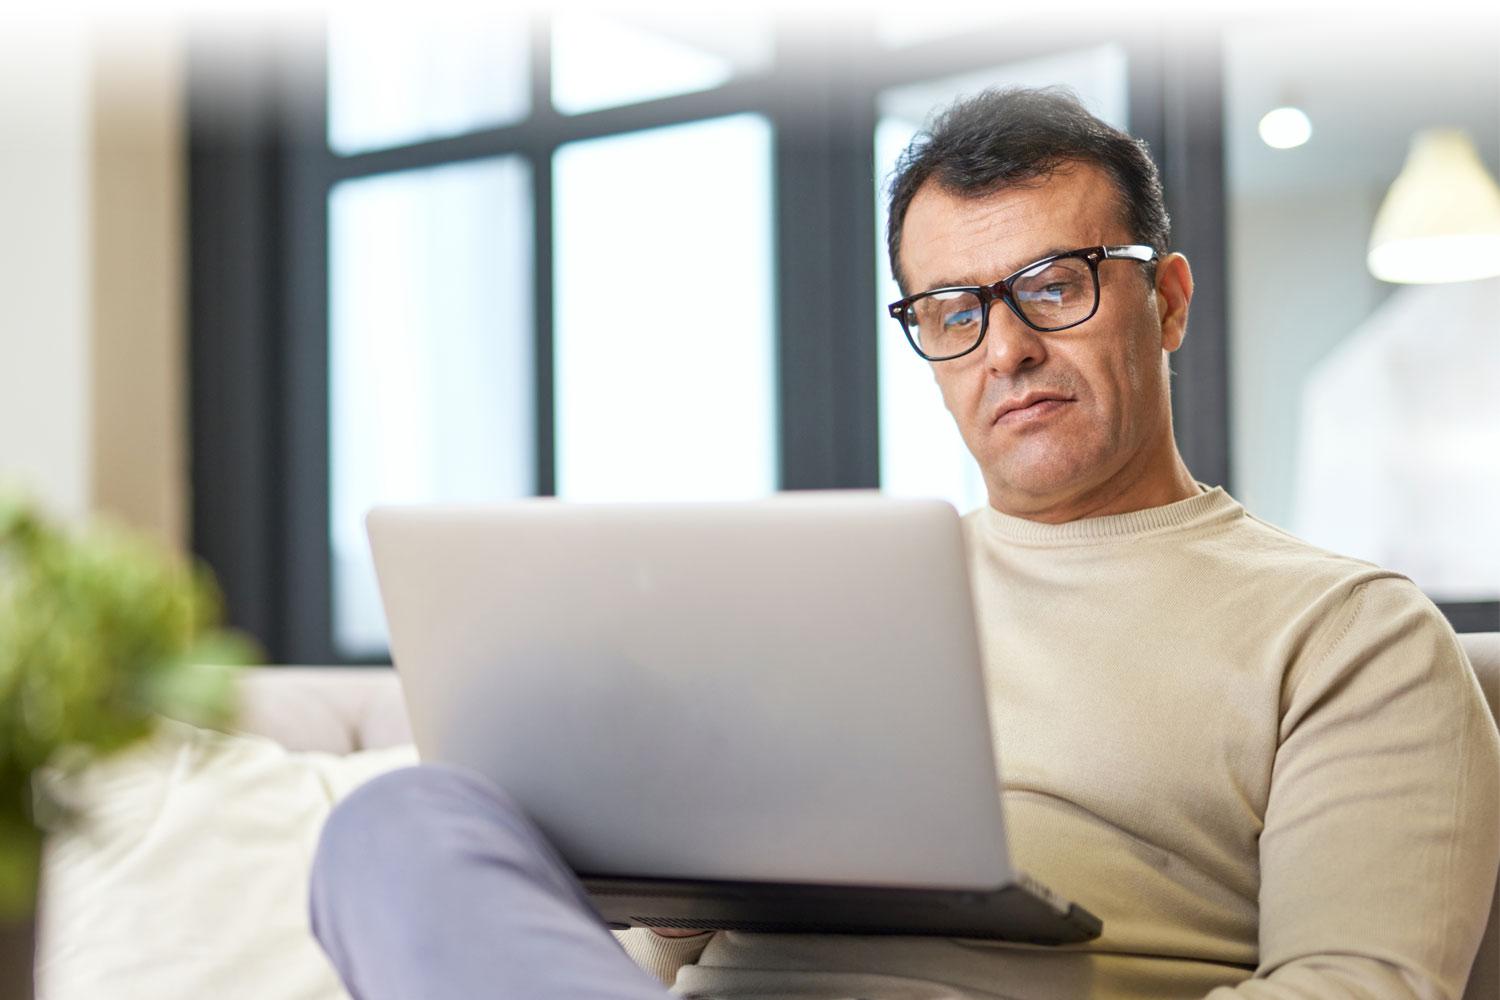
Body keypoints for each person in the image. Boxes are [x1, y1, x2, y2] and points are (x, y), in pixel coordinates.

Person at [308, 88, 1499, 1000]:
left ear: (1170, 300)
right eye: (954, 309)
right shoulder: (822, 602)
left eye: (1053, 284)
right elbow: (665, 947)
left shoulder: (1351, 633)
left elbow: (1355, 985)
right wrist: (669, 824)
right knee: (399, 825)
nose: (1006, 347)